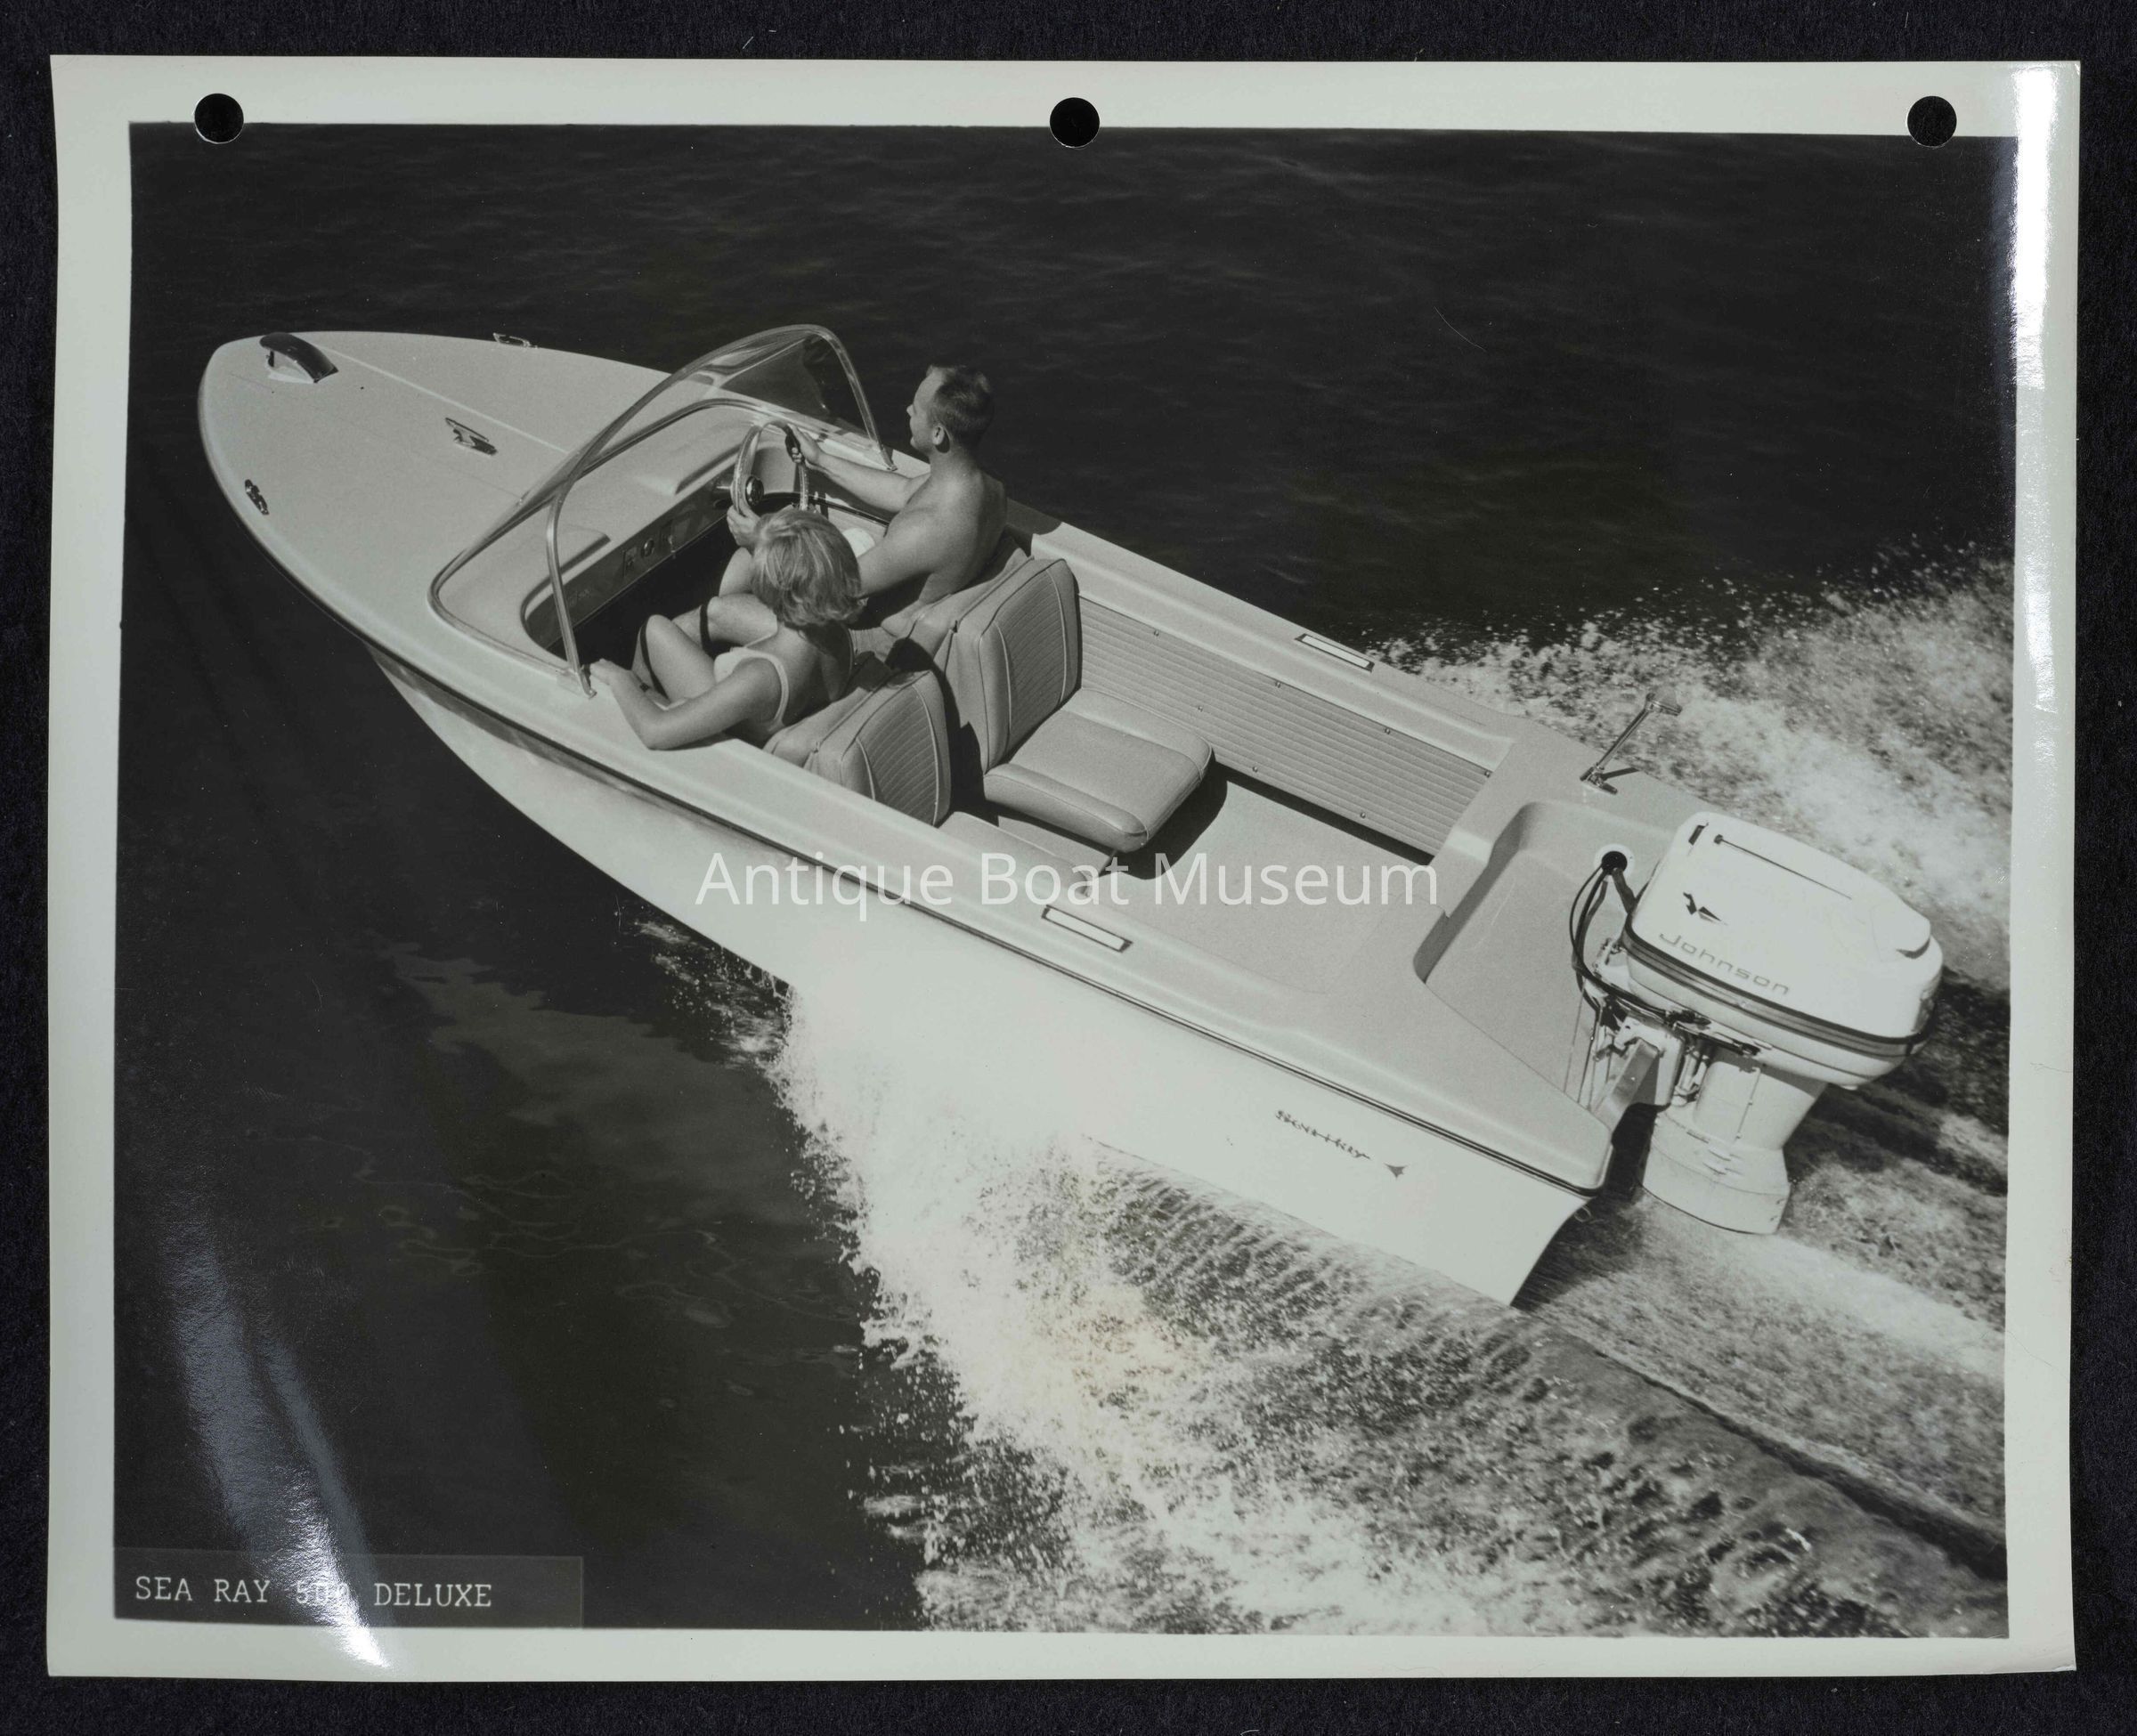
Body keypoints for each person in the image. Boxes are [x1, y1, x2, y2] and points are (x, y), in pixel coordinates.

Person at [719, 363, 1007, 647]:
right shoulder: (988, 489)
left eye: (917, 410)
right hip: (874, 604)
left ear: (938, 435)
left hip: (864, 637)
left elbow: (832, 589)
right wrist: (821, 460)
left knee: (717, 612)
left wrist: (759, 542)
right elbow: (903, 490)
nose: (908, 410)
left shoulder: (926, 529)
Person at [591, 508, 858, 750]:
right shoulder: (835, 633)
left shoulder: (759, 676)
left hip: (732, 733)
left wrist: (621, 679)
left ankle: (636, 709)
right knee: (682, 621)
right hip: (771, 706)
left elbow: (655, 732)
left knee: (653, 631)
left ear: (770, 585)